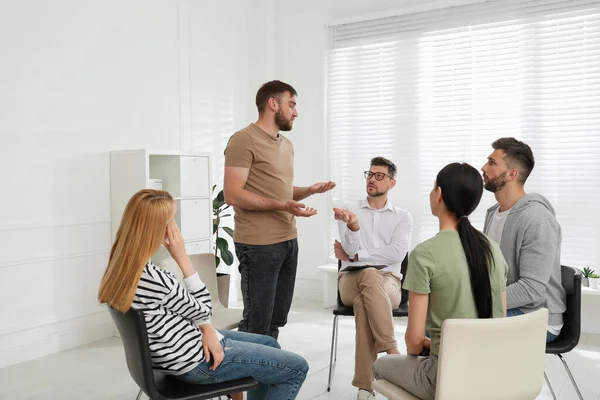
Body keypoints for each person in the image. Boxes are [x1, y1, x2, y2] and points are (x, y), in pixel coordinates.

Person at [98, 189, 309, 400]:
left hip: (184, 348)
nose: (175, 228)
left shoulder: (121, 268)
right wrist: (183, 259)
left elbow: (194, 313)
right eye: (171, 222)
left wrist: (207, 330)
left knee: (268, 343)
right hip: (195, 362)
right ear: (157, 230)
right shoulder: (155, 279)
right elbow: (206, 309)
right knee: (297, 368)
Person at [373, 163, 508, 400]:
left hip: (444, 377)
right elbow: (501, 321)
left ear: (439, 195)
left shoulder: (425, 254)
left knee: (380, 366)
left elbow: (414, 343)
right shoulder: (493, 249)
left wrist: (429, 344)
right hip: (491, 374)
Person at [223, 80, 335, 338]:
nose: (296, 112)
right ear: (273, 104)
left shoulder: (286, 145)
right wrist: (284, 205)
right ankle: (248, 376)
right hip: (258, 246)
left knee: (276, 321)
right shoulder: (243, 140)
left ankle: (268, 373)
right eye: (291, 104)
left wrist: (308, 191)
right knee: (257, 324)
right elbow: (233, 194)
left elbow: (277, 190)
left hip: (288, 241)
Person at [332, 156, 412, 400]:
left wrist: (357, 255)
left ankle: (365, 386)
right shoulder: (349, 210)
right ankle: (392, 350)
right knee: (367, 274)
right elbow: (348, 248)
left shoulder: (402, 216)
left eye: (379, 176)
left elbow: (397, 253)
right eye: (369, 174)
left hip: (388, 281)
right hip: (350, 279)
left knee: (363, 302)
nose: (372, 179)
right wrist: (354, 228)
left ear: (392, 183)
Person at [482, 137, 566, 342]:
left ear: (512, 174)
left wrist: (478, 301)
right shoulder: (493, 213)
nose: (483, 167)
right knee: (439, 323)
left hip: (537, 317)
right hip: (508, 307)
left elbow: (532, 290)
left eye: (492, 162)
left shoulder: (538, 219)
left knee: (451, 329)